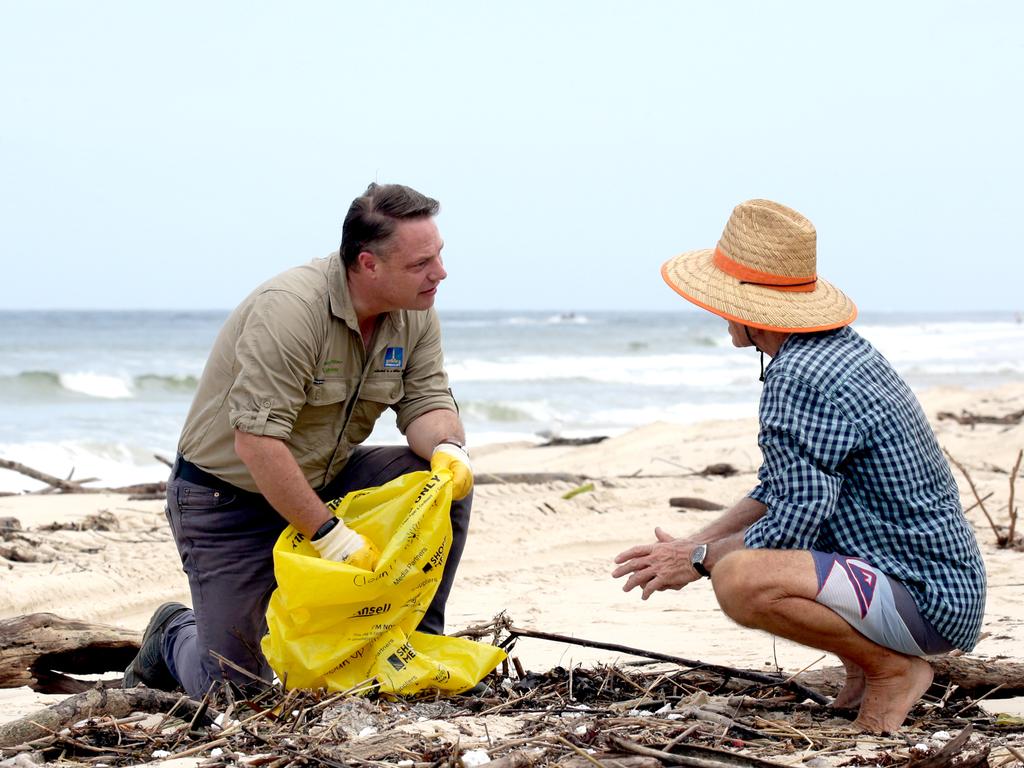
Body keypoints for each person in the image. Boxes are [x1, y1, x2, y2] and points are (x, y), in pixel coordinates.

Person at [612, 199, 985, 733]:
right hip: (940, 585)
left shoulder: (799, 375)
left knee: (740, 579)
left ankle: (891, 670)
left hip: (922, 595)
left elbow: (797, 515)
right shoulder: (832, 351)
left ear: (746, 306)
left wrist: (699, 560)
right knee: (736, 558)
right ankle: (861, 670)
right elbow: (782, 488)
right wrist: (693, 543)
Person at [124, 182, 474, 699]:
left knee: (439, 484)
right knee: (238, 696)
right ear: (368, 264)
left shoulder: (416, 310)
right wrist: (330, 536)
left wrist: (448, 449)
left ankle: (413, 644)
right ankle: (172, 632)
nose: (440, 273)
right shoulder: (289, 311)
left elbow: (425, 402)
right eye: (422, 263)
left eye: (439, 256)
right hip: (227, 501)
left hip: (324, 480)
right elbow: (257, 444)